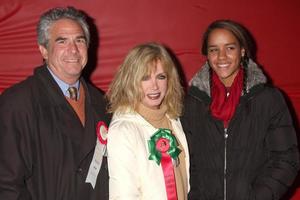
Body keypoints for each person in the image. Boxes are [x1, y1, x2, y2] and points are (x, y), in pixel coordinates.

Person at [181, 19, 299, 200]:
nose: (221, 57)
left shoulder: (269, 99)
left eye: (230, 48)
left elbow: (286, 160)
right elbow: (187, 162)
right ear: (207, 54)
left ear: (242, 50)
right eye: (214, 49)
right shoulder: (192, 103)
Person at [0, 6, 110, 200]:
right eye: (62, 41)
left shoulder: (103, 104)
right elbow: (6, 185)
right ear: (43, 49)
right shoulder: (17, 103)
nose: (73, 50)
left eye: (80, 40)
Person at [106, 42, 189, 200]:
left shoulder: (173, 118)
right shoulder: (123, 130)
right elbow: (123, 196)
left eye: (161, 77)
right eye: (145, 78)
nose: (155, 86)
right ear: (131, 81)